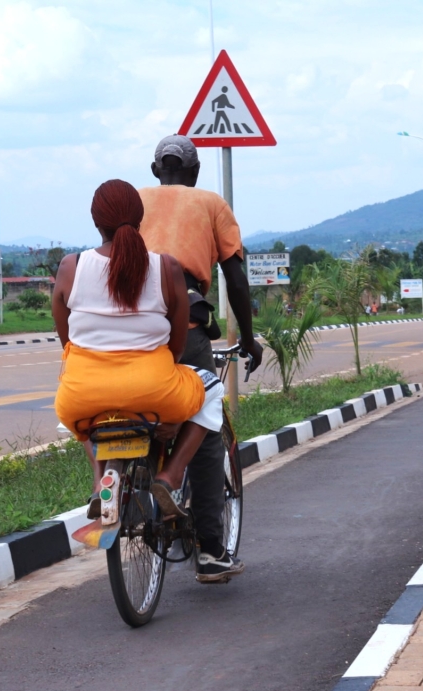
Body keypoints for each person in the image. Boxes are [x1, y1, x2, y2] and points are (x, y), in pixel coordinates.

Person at [52, 180, 233, 580]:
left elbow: (67, 337)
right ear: (140, 218)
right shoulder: (165, 267)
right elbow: (176, 341)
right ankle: (168, 477)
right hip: (154, 391)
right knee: (211, 388)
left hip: (83, 395)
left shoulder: (71, 267)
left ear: (95, 221)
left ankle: (102, 480)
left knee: (78, 412)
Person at [138, 134, 262, 582]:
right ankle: (211, 551)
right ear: (193, 174)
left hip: (126, 329)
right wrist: (248, 338)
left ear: (156, 171)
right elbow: (236, 278)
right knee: (207, 426)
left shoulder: (131, 202)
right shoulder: (210, 203)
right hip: (184, 325)